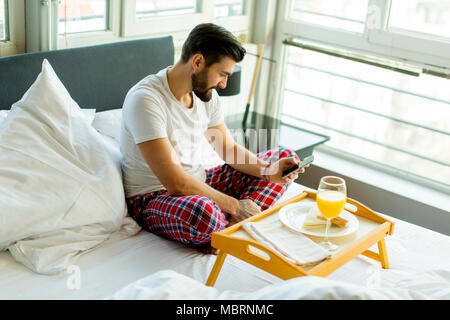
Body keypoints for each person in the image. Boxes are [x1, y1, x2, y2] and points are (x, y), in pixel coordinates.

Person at [120, 23, 304, 254]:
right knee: (204, 213)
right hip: (154, 197)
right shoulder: (146, 100)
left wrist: (269, 170)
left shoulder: (206, 96)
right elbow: (175, 183)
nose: (223, 84)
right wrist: (235, 205)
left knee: (284, 157)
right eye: (222, 74)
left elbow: (227, 149)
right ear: (197, 62)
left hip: (200, 181)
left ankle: (227, 227)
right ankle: (227, 222)